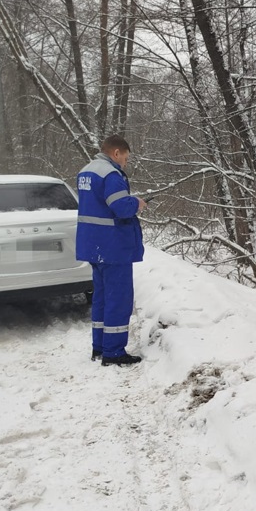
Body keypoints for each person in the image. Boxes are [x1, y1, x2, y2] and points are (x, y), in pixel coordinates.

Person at [76, 135, 147, 366]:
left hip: (94, 246)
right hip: (113, 246)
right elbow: (120, 208)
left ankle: (100, 346)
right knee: (118, 298)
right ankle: (114, 352)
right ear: (116, 153)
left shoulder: (86, 171)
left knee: (102, 298)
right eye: (125, 158)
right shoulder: (111, 175)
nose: (125, 163)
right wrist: (137, 203)